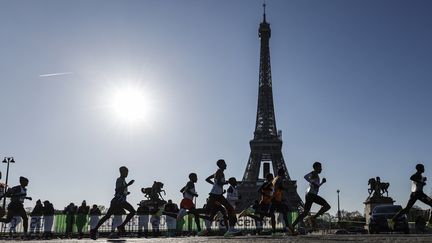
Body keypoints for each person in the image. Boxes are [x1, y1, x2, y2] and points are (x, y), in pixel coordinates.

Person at [90, 166, 136, 240]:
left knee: (107, 216)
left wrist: (126, 193)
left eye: (127, 172)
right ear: (122, 172)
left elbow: (120, 190)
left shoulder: (123, 181)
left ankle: (94, 230)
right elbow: (118, 189)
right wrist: (128, 185)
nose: (127, 173)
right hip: (119, 201)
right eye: (126, 172)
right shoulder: (119, 179)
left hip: (117, 201)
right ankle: (121, 226)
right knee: (133, 211)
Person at [203, 159, 240, 236]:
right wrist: (227, 182)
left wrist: (214, 184)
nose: (226, 165)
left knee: (209, 211)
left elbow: (208, 179)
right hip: (215, 195)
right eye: (224, 163)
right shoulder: (219, 172)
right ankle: (231, 228)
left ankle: (230, 229)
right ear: (221, 165)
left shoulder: (218, 172)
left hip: (217, 194)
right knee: (228, 209)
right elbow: (220, 183)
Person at [291, 162, 330, 232]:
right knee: (327, 206)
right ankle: (313, 218)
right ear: (316, 167)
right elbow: (305, 176)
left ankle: (292, 225)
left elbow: (316, 187)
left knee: (305, 212)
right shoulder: (314, 173)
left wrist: (322, 183)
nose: (321, 169)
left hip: (310, 194)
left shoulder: (316, 175)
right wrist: (312, 182)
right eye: (320, 167)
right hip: (311, 195)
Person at [390, 163, 432, 229]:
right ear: (420, 169)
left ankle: (393, 219)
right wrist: (421, 182)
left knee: (407, 209)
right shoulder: (417, 174)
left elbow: (419, 180)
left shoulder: (420, 175)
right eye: (423, 168)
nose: (424, 169)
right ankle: (430, 223)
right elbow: (411, 177)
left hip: (415, 194)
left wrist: (423, 180)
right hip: (418, 193)